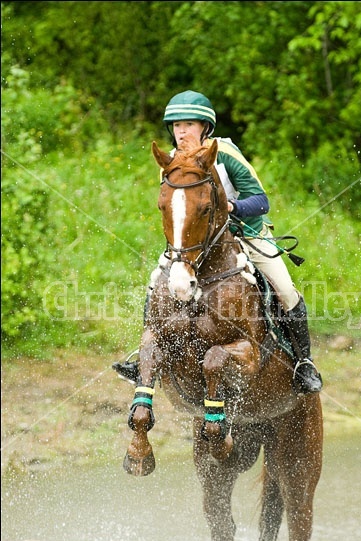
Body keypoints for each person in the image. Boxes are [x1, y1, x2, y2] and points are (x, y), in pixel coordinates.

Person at [114, 90, 322, 394]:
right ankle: (142, 356)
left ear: (205, 127)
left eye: (188, 124)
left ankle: (304, 362)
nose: (181, 132)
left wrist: (233, 209)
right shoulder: (170, 162)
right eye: (175, 126)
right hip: (195, 244)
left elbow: (261, 201)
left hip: (244, 233)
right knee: (156, 281)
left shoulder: (224, 152)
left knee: (286, 289)